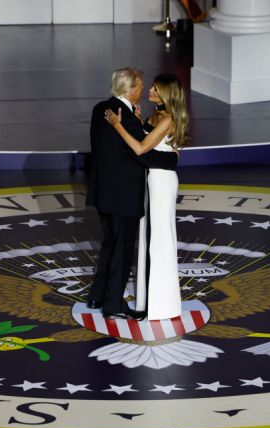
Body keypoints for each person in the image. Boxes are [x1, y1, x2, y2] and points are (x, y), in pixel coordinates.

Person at [86, 68, 176, 320]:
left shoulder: (100, 108)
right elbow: (142, 153)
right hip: (123, 193)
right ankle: (113, 303)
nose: (144, 90)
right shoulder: (123, 116)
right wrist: (172, 159)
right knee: (122, 249)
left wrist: (135, 122)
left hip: (103, 190)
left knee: (110, 243)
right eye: (142, 86)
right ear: (132, 89)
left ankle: (97, 295)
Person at [104, 73, 188, 320]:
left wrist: (118, 124)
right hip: (151, 180)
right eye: (150, 86)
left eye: (155, 88)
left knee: (158, 239)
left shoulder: (168, 119)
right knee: (148, 239)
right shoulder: (155, 117)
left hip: (161, 183)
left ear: (166, 94)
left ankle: (162, 305)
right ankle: (148, 302)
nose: (150, 90)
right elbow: (151, 146)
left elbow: (141, 149)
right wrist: (139, 122)